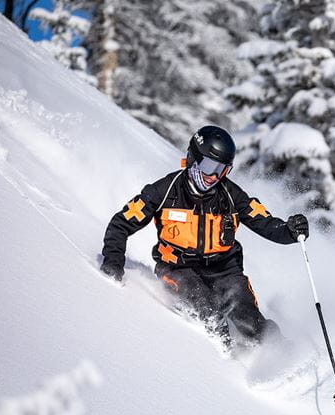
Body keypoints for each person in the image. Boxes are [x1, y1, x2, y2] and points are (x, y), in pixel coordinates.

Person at [100, 125, 309, 348]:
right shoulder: (164, 191)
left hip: (224, 270)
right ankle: (221, 368)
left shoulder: (230, 194)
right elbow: (121, 223)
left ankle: (282, 354)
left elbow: (265, 223)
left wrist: (289, 231)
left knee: (248, 319)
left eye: (222, 170)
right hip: (178, 269)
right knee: (208, 314)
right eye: (209, 166)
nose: (213, 177)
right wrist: (113, 261)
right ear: (192, 158)